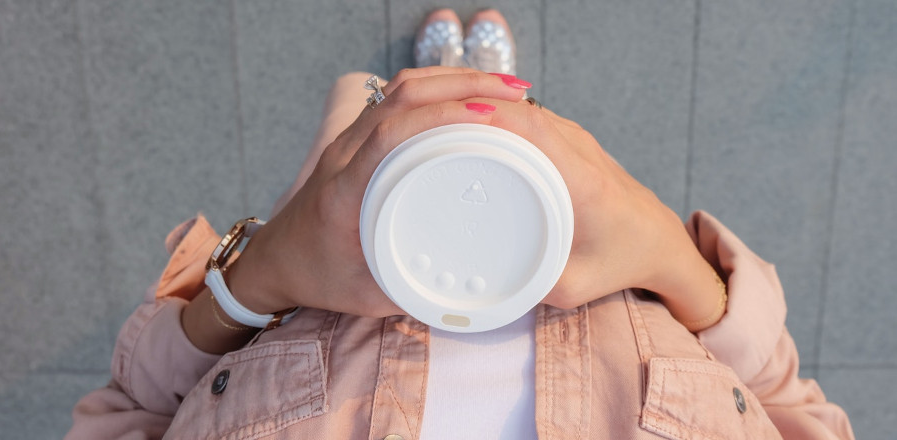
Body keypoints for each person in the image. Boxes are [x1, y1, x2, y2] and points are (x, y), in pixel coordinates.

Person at [67, 8, 854, 440]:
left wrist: (261, 273)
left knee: (363, 130)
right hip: (555, 226)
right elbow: (794, 405)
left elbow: (130, 408)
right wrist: (663, 247)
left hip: (335, 253)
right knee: (513, 132)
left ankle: (417, 81)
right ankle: (475, 78)